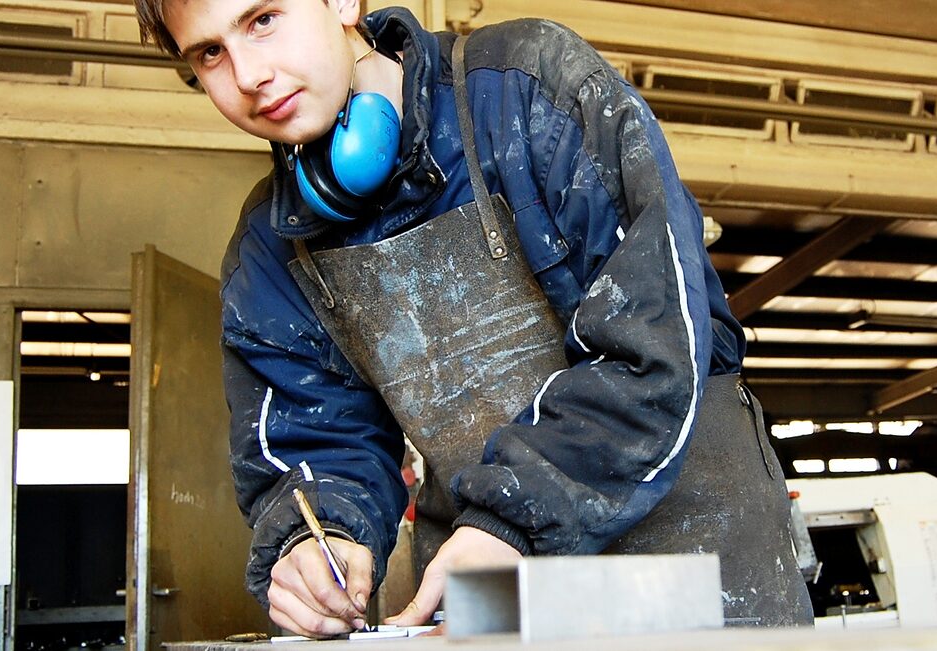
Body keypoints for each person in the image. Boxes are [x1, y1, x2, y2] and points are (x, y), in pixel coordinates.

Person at [134, 0, 811, 637]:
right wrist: (321, 536)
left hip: (691, 552)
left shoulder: (527, 88)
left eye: (263, 19)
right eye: (210, 54)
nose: (249, 75)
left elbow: (654, 335)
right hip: (487, 564)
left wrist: (512, 517)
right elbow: (314, 447)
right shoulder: (269, 251)